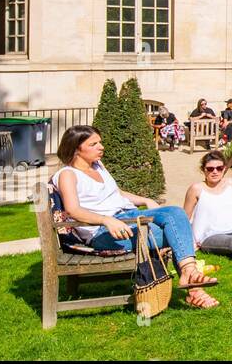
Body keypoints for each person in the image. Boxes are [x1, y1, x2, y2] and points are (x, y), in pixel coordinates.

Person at [53, 125, 219, 308]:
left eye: (100, 142)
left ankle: (189, 273)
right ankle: (195, 288)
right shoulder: (68, 174)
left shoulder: (98, 166)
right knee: (176, 232)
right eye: (94, 144)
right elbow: (73, 210)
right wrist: (106, 220)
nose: (101, 147)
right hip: (104, 233)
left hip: (129, 217)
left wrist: (145, 200)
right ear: (77, 148)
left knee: (176, 213)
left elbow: (117, 193)